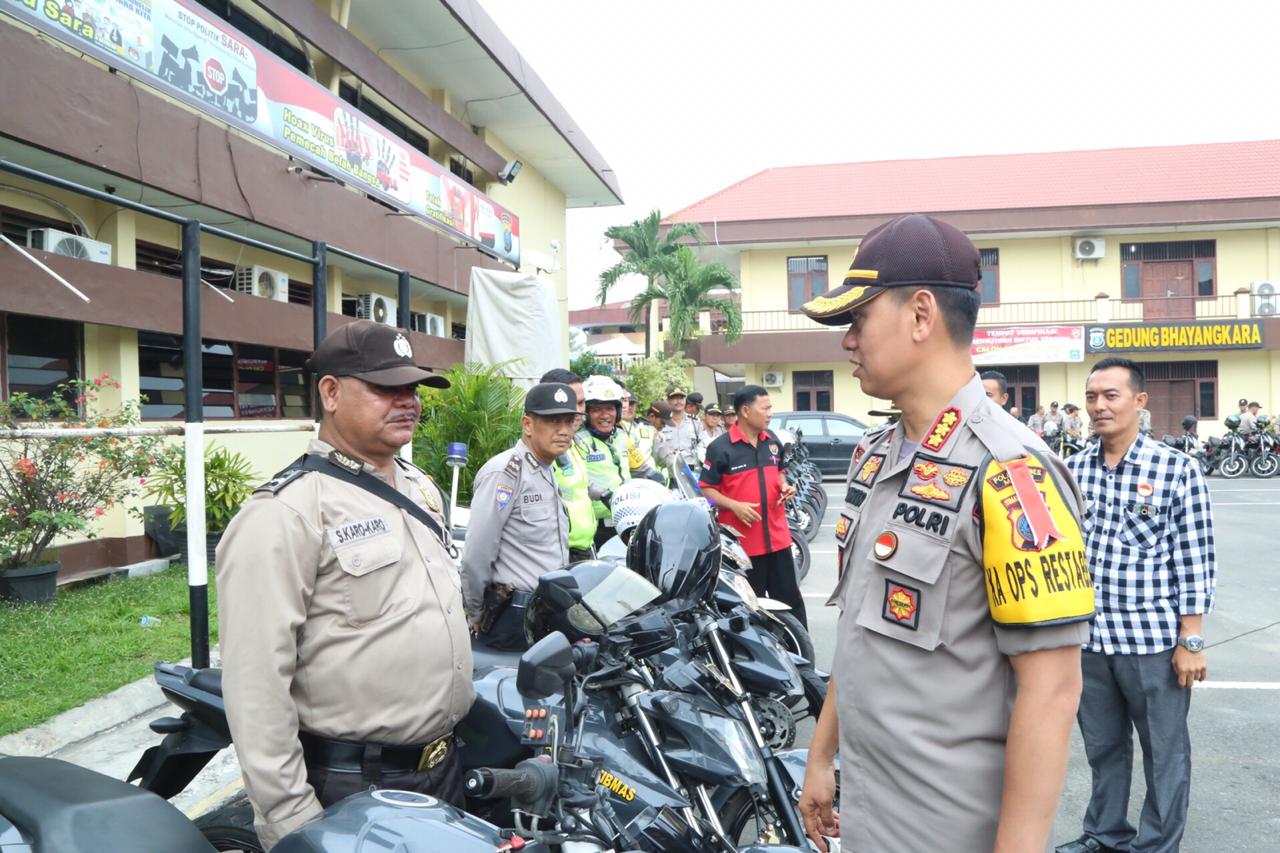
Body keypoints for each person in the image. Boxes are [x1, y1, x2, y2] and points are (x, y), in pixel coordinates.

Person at [795, 213, 1093, 853]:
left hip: (947, 828)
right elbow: (861, 632)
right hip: (868, 812)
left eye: (858, 319)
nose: (847, 341)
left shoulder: (1011, 472)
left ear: (921, 315)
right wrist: (821, 756)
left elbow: (1052, 688)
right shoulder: (874, 456)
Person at [216, 320, 472, 850]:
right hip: (357, 787)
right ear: (330, 393)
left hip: (443, 770)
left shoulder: (418, 486)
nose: (408, 402)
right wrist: (290, 818)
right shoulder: (286, 512)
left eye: (412, 389)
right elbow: (256, 681)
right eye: (385, 388)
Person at [1055, 358, 1216, 853]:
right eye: (1092, 397)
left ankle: (1156, 845)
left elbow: (1195, 558)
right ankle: (1105, 834)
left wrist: (1191, 639)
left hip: (1152, 643)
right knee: (1103, 749)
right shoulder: (1072, 468)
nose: (1099, 406)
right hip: (1089, 640)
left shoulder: (1176, 469)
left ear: (1139, 402)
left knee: (1164, 752)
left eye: (1111, 396)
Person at [462, 382, 577, 650]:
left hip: (546, 610)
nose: (563, 431)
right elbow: (477, 553)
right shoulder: (505, 473)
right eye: (552, 421)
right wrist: (477, 613)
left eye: (569, 421)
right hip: (513, 615)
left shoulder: (546, 467)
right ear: (527, 424)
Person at [699, 385, 806, 627]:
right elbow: (706, 490)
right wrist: (734, 506)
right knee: (748, 609)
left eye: (771, 408)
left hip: (778, 539)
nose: (770, 413)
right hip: (742, 548)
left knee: (790, 602)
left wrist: (785, 487)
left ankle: (801, 656)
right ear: (745, 411)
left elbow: (780, 473)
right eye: (765, 408)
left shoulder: (773, 442)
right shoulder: (720, 448)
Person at [540, 368, 597, 563]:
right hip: (560, 555)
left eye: (582, 403)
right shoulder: (542, 450)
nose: (579, 410)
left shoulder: (574, 443)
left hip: (585, 548)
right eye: (574, 403)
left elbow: (578, 489)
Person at [576, 375, 631, 549]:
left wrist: (654, 477)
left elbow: (640, 466)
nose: (605, 415)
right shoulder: (577, 441)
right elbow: (576, 477)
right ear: (586, 413)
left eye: (610, 408)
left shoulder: (621, 436)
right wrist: (600, 493)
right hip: (596, 523)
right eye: (597, 410)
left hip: (626, 517)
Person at [662, 386, 699, 462]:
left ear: (685, 401)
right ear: (668, 401)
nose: (678, 401)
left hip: (691, 470)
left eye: (681, 398)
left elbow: (702, 446)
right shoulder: (662, 423)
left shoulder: (695, 423)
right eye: (674, 398)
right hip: (669, 469)